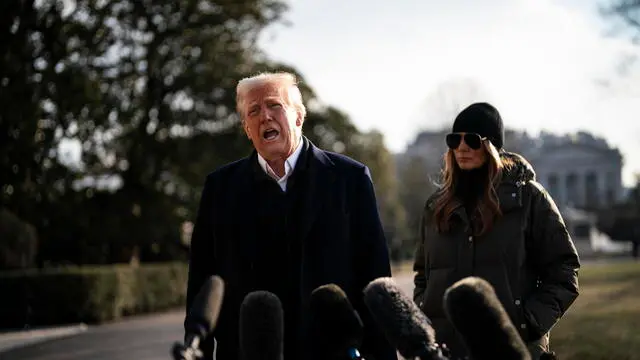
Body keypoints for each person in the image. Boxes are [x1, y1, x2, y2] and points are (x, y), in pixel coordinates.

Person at [185, 72, 397, 360]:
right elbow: (203, 282)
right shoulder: (220, 188)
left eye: (274, 106)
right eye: (254, 111)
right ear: (247, 128)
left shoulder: (350, 179)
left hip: (332, 352)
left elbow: (375, 278)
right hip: (247, 350)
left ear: (299, 116)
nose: (265, 117)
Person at [412, 102, 580, 359]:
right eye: (454, 140)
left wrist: (527, 323)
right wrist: (428, 314)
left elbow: (564, 270)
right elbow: (423, 275)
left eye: (472, 139)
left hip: (513, 349)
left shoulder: (529, 198)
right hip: (448, 350)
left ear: (491, 146)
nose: (462, 147)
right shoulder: (436, 207)